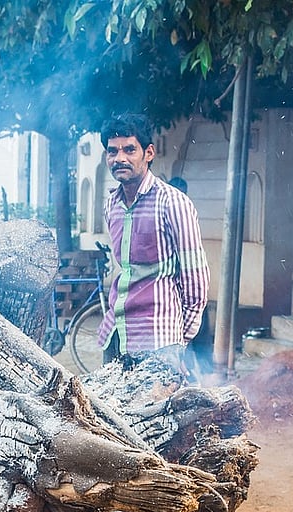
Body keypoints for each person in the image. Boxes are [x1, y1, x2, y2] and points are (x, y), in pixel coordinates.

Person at [96, 113, 209, 369]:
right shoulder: (111, 206)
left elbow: (196, 277)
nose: (120, 159)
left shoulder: (172, 202)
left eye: (129, 150)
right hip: (115, 333)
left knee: (151, 410)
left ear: (148, 153)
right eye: (112, 151)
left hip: (157, 338)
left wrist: (180, 339)